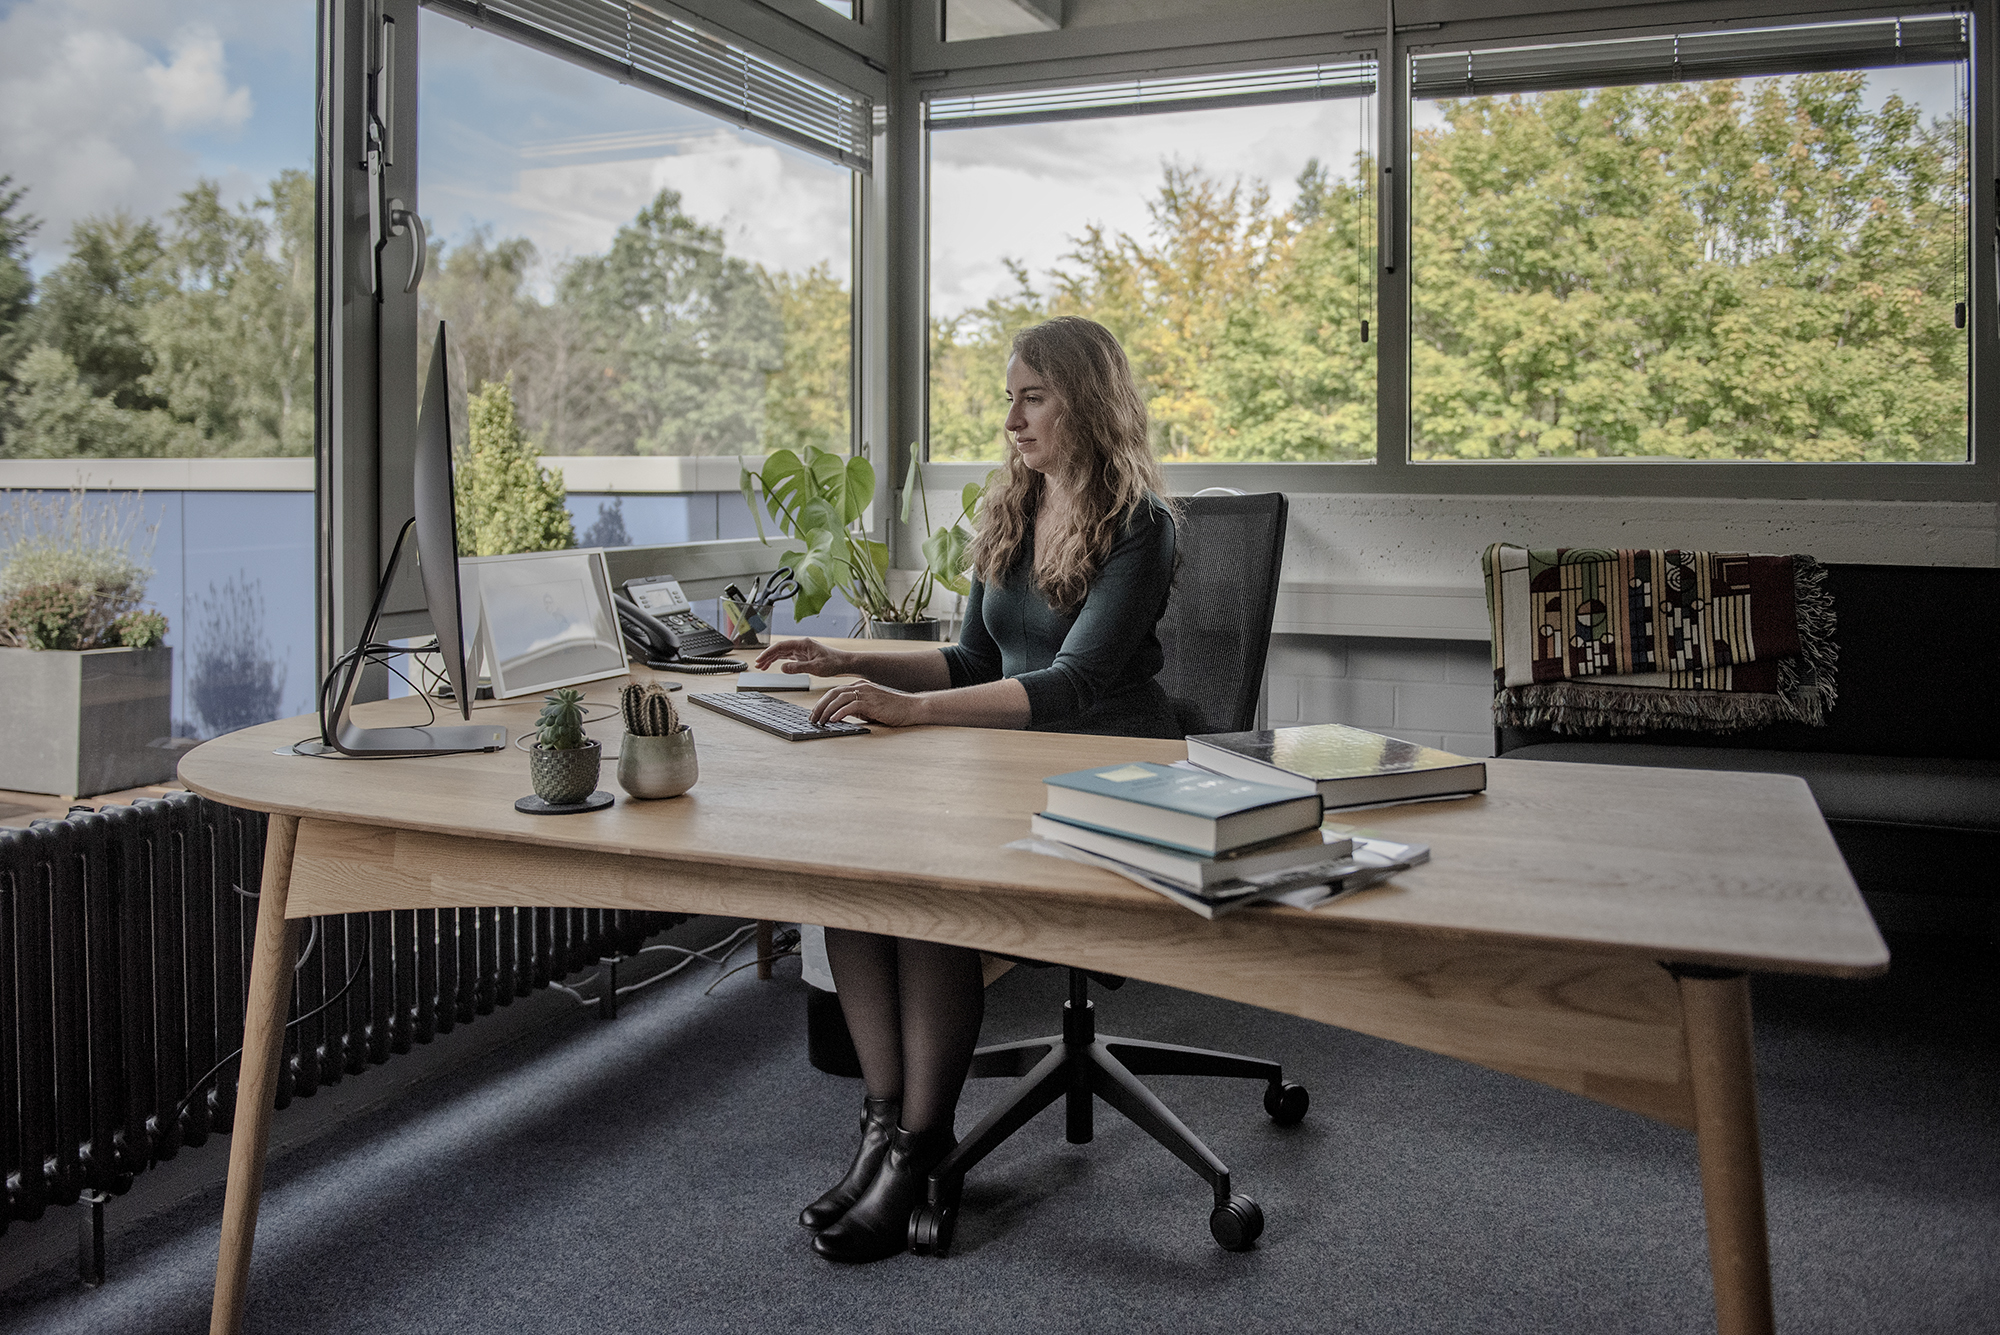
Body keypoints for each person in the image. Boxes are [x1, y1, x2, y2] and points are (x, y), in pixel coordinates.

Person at [752, 315, 1180, 1263]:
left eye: (1034, 398)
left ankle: (917, 1143)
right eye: (1008, 399)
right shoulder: (1014, 507)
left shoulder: (1141, 526)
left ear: (1088, 401)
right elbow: (969, 658)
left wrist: (908, 716)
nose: (1012, 421)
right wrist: (844, 654)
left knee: (927, 887)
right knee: (857, 874)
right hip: (1002, 752)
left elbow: (1071, 682)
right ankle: (889, 1131)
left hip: (1100, 762)